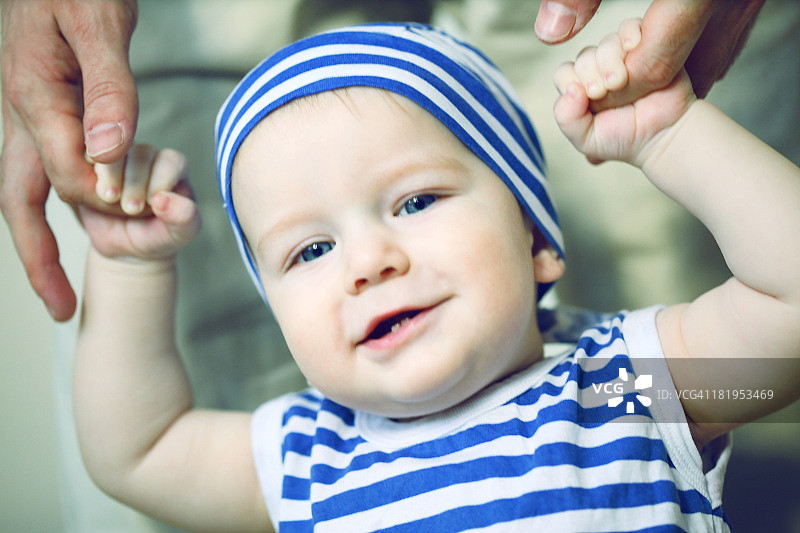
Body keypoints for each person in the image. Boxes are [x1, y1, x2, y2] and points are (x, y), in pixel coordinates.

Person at [72, 20, 799, 532]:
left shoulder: (618, 387)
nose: (367, 263)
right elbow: (139, 452)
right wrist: (129, 265)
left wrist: (671, 136)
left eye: (416, 202)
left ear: (535, 240)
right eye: (310, 250)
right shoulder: (311, 458)